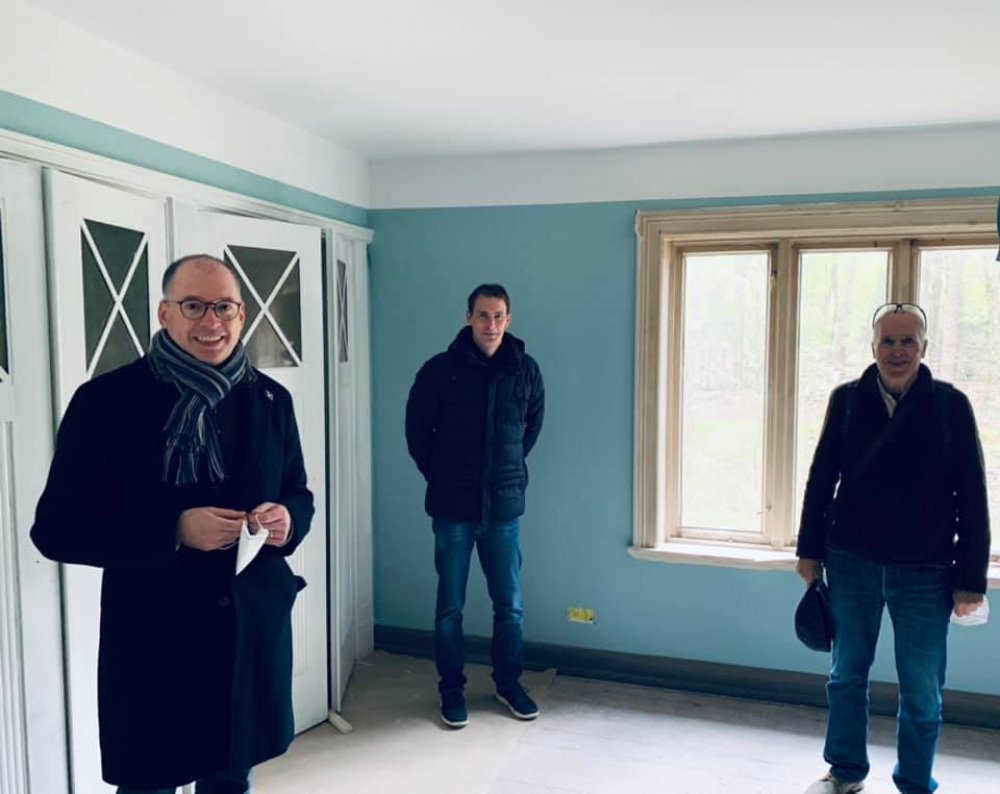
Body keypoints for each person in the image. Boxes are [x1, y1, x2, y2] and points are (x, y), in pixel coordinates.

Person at [31, 254, 314, 794]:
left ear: (241, 314)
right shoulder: (106, 402)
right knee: (150, 781)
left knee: (230, 776)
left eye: (224, 307)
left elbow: (297, 493)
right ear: (165, 314)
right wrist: (174, 530)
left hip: (245, 630)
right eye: (194, 306)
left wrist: (288, 519)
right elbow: (56, 528)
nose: (212, 321)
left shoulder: (270, 399)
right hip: (156, 637)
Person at [796, 302, 990, 794]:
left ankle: (915, 783)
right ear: (873, 347)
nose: (898, 351)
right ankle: (845, 772)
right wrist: (809, 551)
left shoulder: (950, 406)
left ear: (924, 347)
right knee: (845, 676)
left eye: (908, 341)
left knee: (922, 688)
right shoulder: (846, 401)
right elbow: (821, 480)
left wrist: (970, 580)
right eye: (888, 341)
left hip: (926, 571)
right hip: (851, 563)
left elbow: (973, 494)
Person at [405, 283, 545, 729]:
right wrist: (444, 477)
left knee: (511, 606)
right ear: (469, 318)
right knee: (450, 608)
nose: (491, 324)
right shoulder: (439, 370)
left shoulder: (526, 371)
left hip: (504, 510)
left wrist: (505, 474)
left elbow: (530, 431)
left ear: (509, 319)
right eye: (483, 315)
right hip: (453, 510)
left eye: (499, 316)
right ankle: (451, 691)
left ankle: (509, 684)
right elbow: (417, 433)